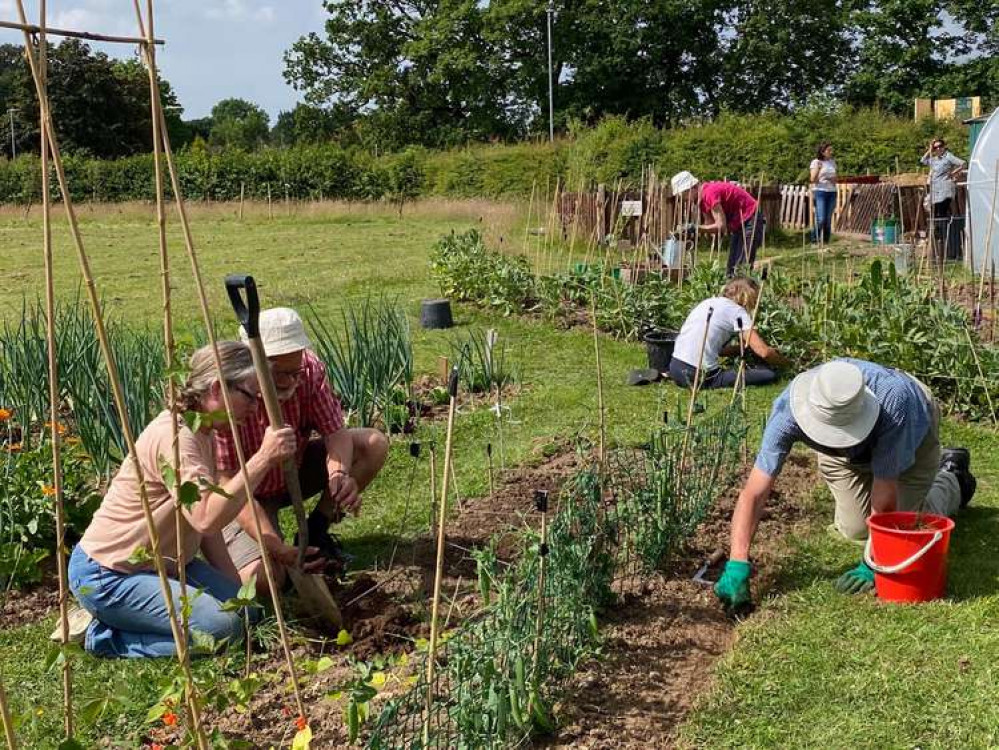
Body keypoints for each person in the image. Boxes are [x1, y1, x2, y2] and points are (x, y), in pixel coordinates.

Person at [66, 342, 298, 657]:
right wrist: (263, 459)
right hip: (111, 574)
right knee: (222, 630)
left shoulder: (202, 433)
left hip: (168, 564)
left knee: (249, 613)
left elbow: (205, 530)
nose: (256, 408)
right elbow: (205, 516)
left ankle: (140, 619)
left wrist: (235, 591)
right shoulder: (174, 438)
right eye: (251, 396)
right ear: (217, 388)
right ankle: (105, 637)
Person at [713, 359, 976, 611]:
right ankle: (916, 487)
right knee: (855, 530)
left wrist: (872, 562)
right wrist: (737, 562)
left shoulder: (896, 403)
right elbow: (755, 492)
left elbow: (885, 496)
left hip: (911, 434)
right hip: (844, 456)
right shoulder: (789, 409)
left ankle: (952, 478)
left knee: (906, 526)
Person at [219, 307, 389, 596]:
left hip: (291, 475)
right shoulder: (229, 393)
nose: (288, 381)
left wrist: (338, 474)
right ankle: (279, 555)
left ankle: (315, 532)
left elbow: (336, 432)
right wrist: (275, 545)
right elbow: (226, 486)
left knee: (372, 444)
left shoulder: (308, 370)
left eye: (293, 372)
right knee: (263, 580)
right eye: (277, 372)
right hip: (245, 494)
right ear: (252, 362)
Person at [668, 276, 786, 389]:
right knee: (768, 375)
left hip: (676, 368)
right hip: (699, 376)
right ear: (747, 295)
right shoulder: (737, 312)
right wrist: (786, 362)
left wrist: (741, 349)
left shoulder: (709, 302)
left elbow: (714, 349)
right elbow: (764, 352)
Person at [671, 171, 764, 277]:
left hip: (750, 219)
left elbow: (720, 226)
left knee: (742, 267)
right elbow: (710, 226)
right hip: (739, 224)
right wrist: (691, 231)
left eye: (684, 194)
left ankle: (745, 292)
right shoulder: (701, 201)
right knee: (731, 270)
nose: (684, 199)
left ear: (692, 187)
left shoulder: (709, 194)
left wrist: (695, 227)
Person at [920, 138, 966, 259]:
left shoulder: (948, 157)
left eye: (940, 146)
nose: (938, 149)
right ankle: (937, 241)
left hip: (945, 190)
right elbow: (922, 160)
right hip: (935, 191)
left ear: (944, 146)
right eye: (936, 147)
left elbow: (963, 163)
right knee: (934, 214)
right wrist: (930, 149)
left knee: (941, 214)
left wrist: (953, 173)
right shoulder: (934, 160)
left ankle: (944, 243)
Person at [810, 143, 837, 244]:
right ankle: (814, 240)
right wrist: (819, 169)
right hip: (820, 192)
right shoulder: (816, 162)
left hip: (832, 192)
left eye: (831, 150)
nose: (831, 152)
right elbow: (812, 179)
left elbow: (836, 179)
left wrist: (832, 179)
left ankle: (826, 241)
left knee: (828, 219)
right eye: (829, 150)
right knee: (821, 219)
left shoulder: (832, 162)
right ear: (823, 152)